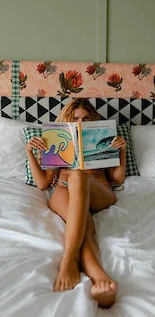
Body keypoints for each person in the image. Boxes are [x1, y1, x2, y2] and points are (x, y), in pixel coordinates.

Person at [25, 98, 126, 309]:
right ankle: (99, 278)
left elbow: (117, 179)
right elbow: (43, 182)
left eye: (86, 118)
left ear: (93, 120)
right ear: (68, 120)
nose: (80, 122)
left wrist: (121, 151)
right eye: (75, 118)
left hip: (98, 190)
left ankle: (70, 258)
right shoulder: (57, 139)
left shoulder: (103, 138)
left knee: (78, 176)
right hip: (63, 189)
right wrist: (30, 153)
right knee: (83, 222)